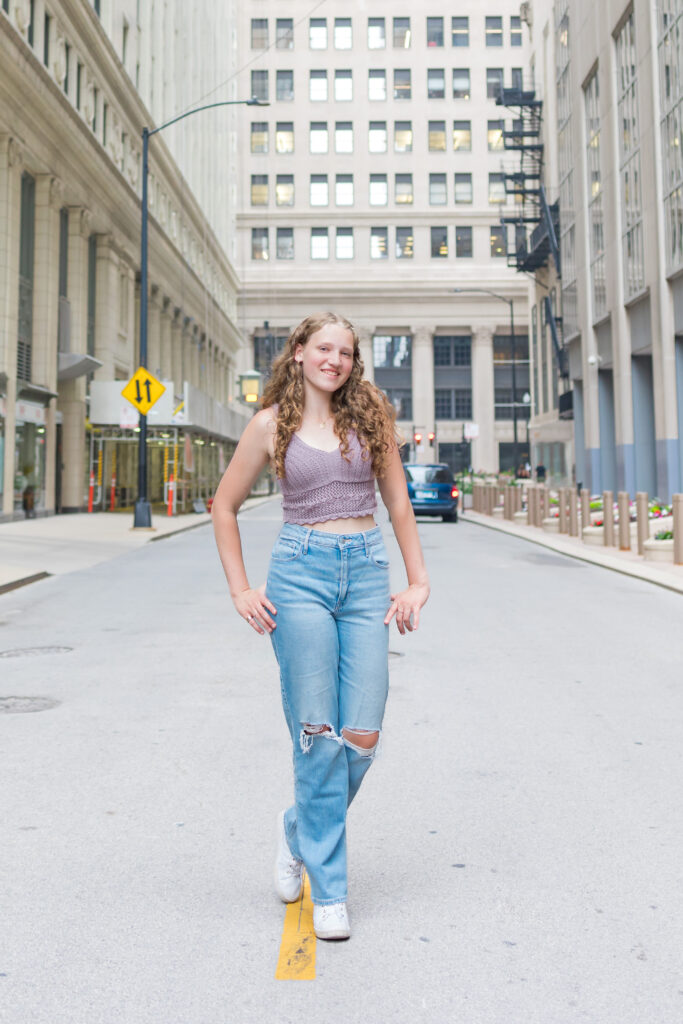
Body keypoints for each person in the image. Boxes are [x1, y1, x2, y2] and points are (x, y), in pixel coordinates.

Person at [211, 312, 430, 941]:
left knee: (360, 734)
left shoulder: (370, 422)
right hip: (299, 575)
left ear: (353, 362)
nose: (334, 359)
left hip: (364, 576)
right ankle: (329, 892)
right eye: (324, 348)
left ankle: (297, 828)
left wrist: (417, 580)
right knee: (316, 730)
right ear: (300, 353)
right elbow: (223, 507)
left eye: (346, 352)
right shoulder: (267, 425)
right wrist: (240, 588)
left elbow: (397, 503)